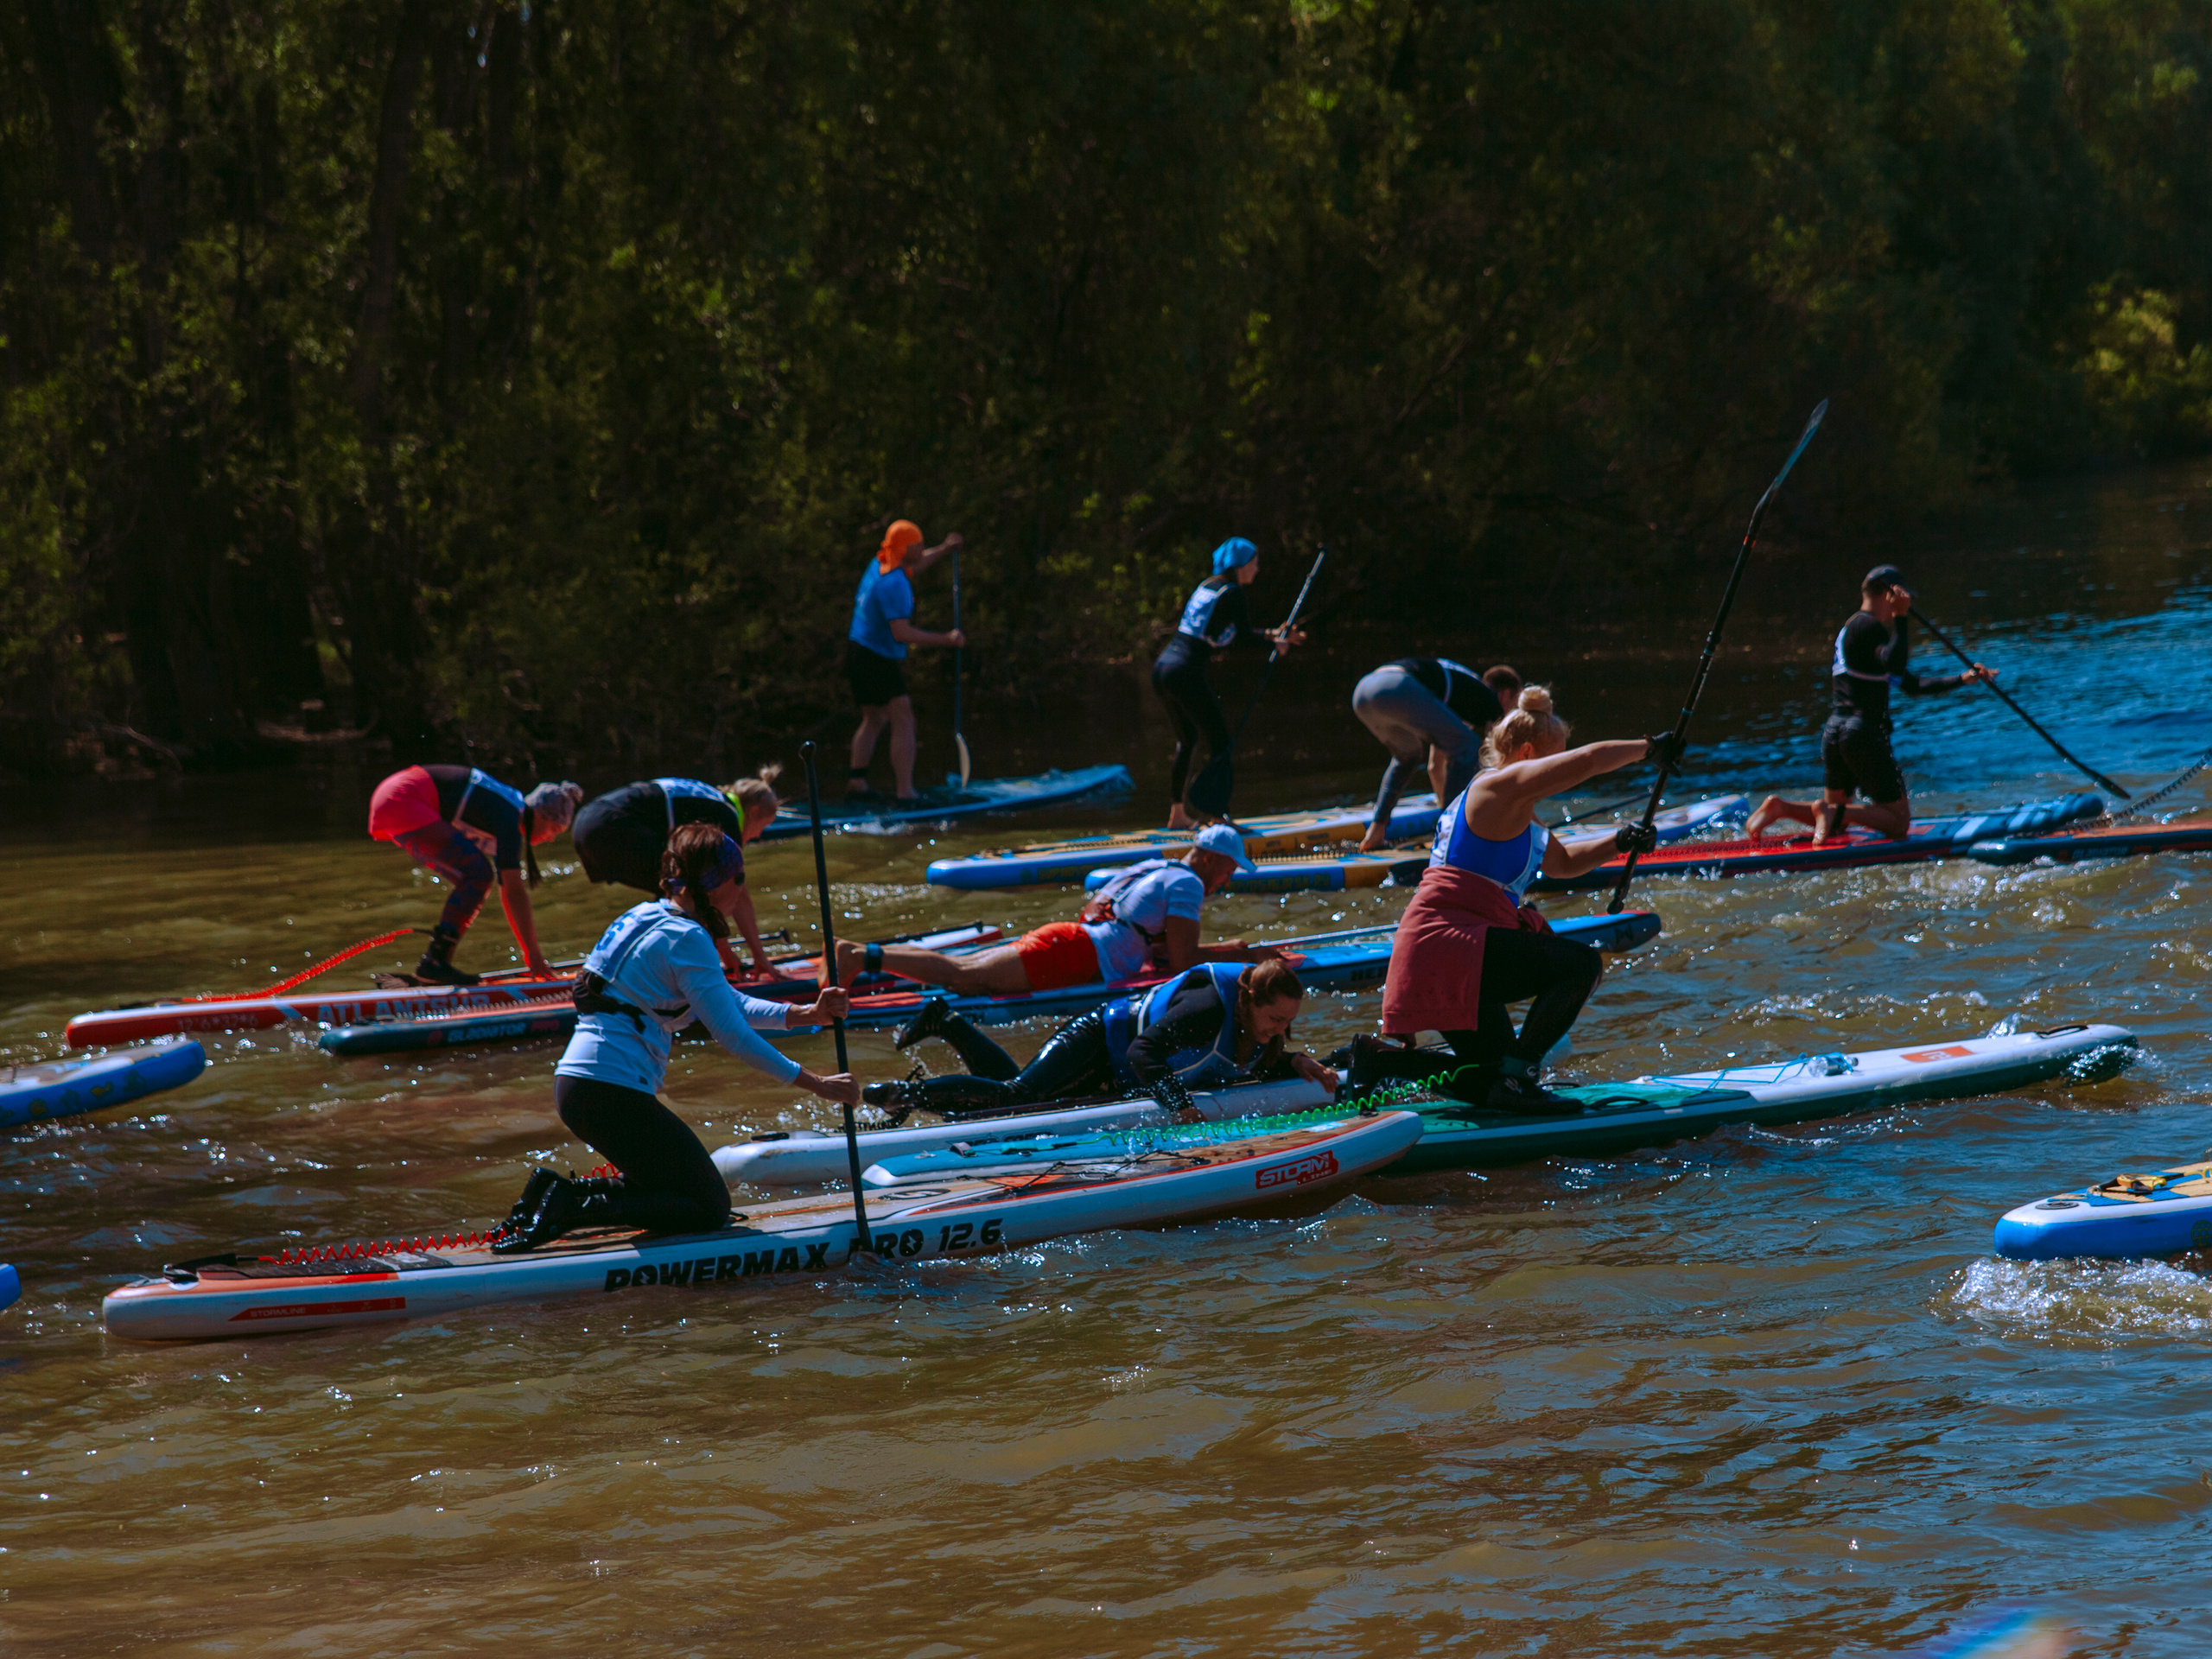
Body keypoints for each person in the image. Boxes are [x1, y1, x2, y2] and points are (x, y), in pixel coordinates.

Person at [493, 823, 861, 1252]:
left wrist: (805, 1014)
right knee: (708, 1206)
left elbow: (725, 1004)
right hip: (609, 1091)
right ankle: (569, 1205)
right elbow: (733, 1035)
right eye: (738, 878)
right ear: (714, 883)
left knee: (671, 1186)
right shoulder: (688, 937)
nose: (741, 890)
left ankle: (552, 1194)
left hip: (581, 1085)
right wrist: (817, 1084)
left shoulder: (645, 915)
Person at [1349, 685, 1678, 1112]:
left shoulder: (1518, 811)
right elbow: (1590, 761)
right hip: (1449, 943)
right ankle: (1520, 1081)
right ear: (1527, 753)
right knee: (1580, 964)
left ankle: (1382, 1064)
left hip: (1444, 949)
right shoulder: (1495, 789)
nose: (1559, 770)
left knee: (1488, 1078)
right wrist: (1649, 749)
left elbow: (1562, 865)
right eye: (1554, 758)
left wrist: (1619, 840)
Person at [832, 823, 1276, 1000]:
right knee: (961, 977)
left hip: (1069, 938)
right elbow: (1182, 960)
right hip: (1078, 955)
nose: (1229, 880)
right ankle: (859, 956)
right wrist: (1235, 953)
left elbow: (1100, 904)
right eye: (1231, 869)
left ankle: (863, 956)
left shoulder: (1157, 866)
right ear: (1214, 860)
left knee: (962, 970)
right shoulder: (1188, 883)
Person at [868, 957, 1338, 1120]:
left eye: (1286, 1024)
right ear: (1250, 1001)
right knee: (1020, 1098)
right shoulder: (1206, 1010)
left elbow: (1248, 1062)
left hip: (1116, 1069)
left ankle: (946, 1023)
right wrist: (1180, 1105)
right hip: (1102, 1036)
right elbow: (1143, 1051)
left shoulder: (1258, 1023)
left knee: (1021, 1097)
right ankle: (904, 1095)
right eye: (1275, 1019)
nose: (1279, 1030)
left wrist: (1296, 1062)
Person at [1743, 565, 1996, 842]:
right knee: (1899, 823)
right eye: (1901, 598)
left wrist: (1963, 679)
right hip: (1863, 733)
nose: (1904, 605)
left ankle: (1781, 807)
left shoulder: (1852, 629)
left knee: (1837, 823)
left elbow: (1910, 684)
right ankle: (1827, 812)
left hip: (1836, 731)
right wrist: (1900, 619)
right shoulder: (1869, 627)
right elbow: (1895, 663)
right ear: (1889, 594)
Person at [366, 765, 583, 985]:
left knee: (475, 875)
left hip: (393, 796)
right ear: (539, 814)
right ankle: (435, 964)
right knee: (478, 875)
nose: (551, 839)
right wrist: (534, 957)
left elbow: (509, 891)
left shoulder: (510, 812)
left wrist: (531, 955)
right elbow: (515, 892)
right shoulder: (510, 815)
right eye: (554, 829)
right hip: (404, 797)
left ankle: (435, 963)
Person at [1151, 537, 1307, 828]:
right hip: (1184, 672)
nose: (1257, 569)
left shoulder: (1207, 586)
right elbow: (1244, 638)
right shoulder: (1233, 593)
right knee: (1222, 743)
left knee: (1188, 739)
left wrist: (1275, 635)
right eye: (1255, 563)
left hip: (1163, 667)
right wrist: (1276, 643)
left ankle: (1177, 815)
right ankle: (1217, 816)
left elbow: (1224, 634)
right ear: (1240, 565)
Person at [572, 768, 789, 976]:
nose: (759, 836)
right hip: (613, 827)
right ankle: (684, 973)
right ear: (753, 812)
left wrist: (725, 950)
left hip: (586, 822)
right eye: (763, 826)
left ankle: (660, 966)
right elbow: (738, 896)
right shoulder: (727, 818)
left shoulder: (712, 799)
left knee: (679, 893)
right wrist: (755, 957)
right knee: (688, 894)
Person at [847, 519, 966, 800]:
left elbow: (918, 562)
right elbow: (901, 633)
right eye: (919, 545)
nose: (923, 548)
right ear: (905, 548)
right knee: (904, 719)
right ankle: (906, 792)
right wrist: (948, 640)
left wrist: (946, 549)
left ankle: (857, 784)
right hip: (876, 659)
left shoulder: (881, 562)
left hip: (856, 652)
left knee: (873, 719)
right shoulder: (895, 584)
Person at [1351, 658, 1516, 851]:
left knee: (1408, 757)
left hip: (1364, 691)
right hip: (1399, 687)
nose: (1513, 711)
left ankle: (1375, 833)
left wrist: (1444, 808)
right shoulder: (1489, 701)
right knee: (1469, 745)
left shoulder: (1465, 694)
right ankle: (1450, 836)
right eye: (1516, 702)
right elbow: (1497, 764)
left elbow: (1435, 766)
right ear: (1505, 695)